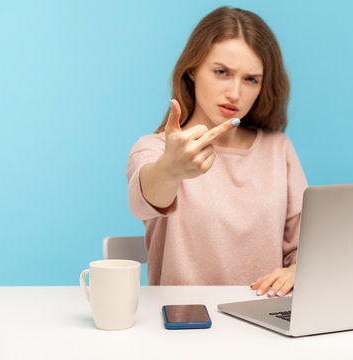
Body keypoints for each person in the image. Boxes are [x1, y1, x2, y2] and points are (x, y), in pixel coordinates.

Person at [126, 6, 307, 298]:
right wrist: (170, 169)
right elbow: (146, 198)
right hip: (186, 323)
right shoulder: (155, 149)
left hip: (263, 321)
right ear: (193, 70)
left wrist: (299, 270)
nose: (235, 93)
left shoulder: (279, 149)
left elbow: (305, 248)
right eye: (222, 72)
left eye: (251, 79)